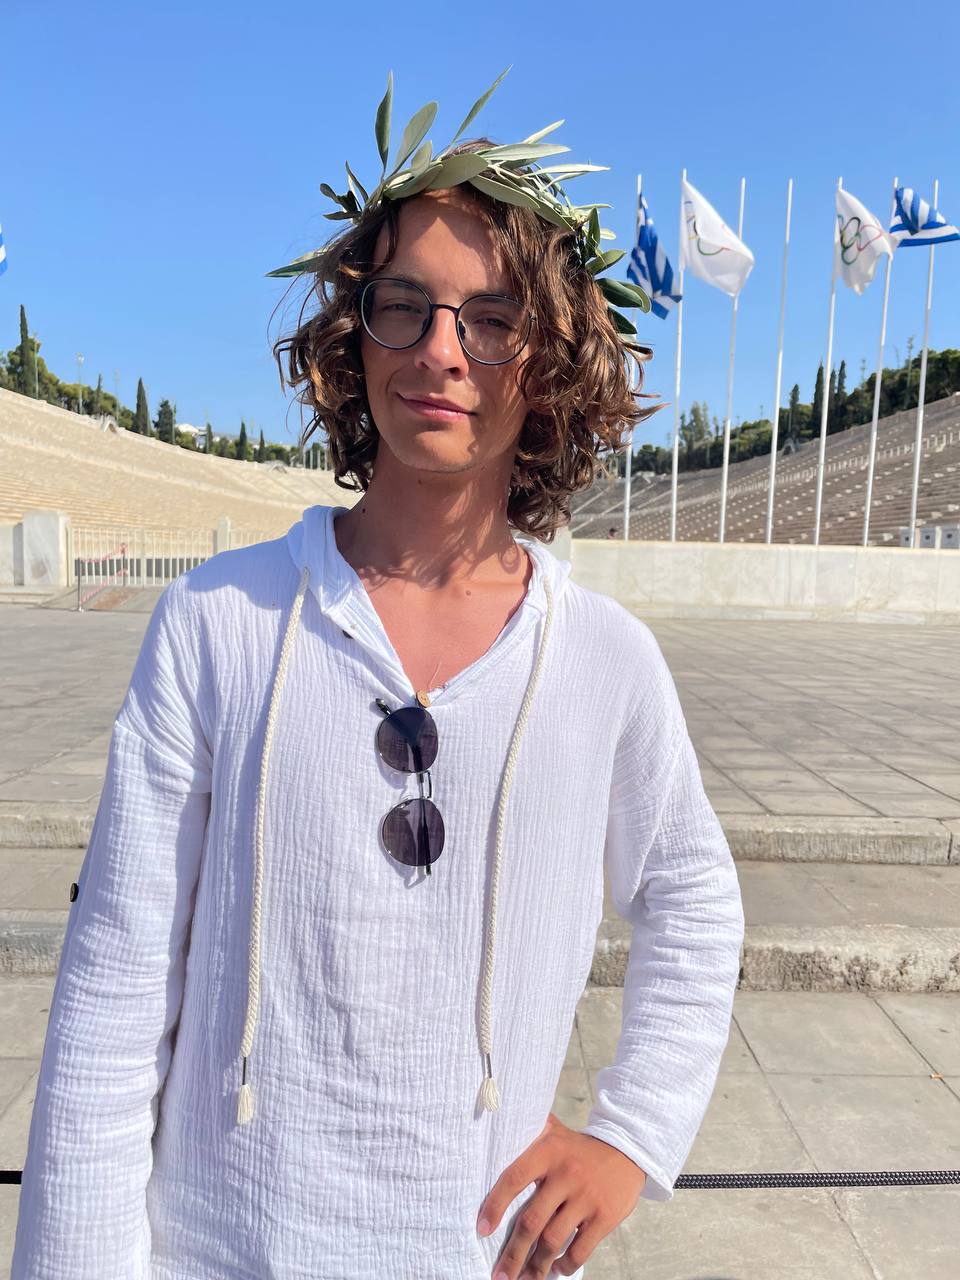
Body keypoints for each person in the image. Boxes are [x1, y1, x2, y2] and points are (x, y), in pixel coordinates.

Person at [12, 75, 744, 1280]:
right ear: (354, 337)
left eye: (493, 319)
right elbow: (116, 975)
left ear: (549, 362)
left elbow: (694, 896)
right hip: (222, 1247)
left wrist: (633, 1131)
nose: (442, 351)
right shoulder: (219, 620)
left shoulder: (604, 659)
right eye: (405, 306)